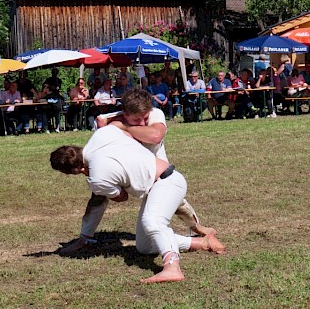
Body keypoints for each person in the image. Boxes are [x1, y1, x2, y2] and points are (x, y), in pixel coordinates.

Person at [50, 134, 222, 284]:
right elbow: (117, 123)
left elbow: (121, 197)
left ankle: (172, 267)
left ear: (76, 170)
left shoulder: (96, 179)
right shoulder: (101, 136)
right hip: (158, 186)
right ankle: (202, 242)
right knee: (144, 246)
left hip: (167, 182)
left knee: (152, 221)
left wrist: (114, 180)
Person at [92, 88, 221, 244]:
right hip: (134, 176)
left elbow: (155, 136)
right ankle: (85, 236)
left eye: (144, 118)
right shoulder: (109, 120)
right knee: (99, 191)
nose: (142, 123)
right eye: (136, 119)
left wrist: (124, 126)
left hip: (161, 176)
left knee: (177, 204)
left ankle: (198, 229)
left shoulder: (155, 114)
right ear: (125, 113)